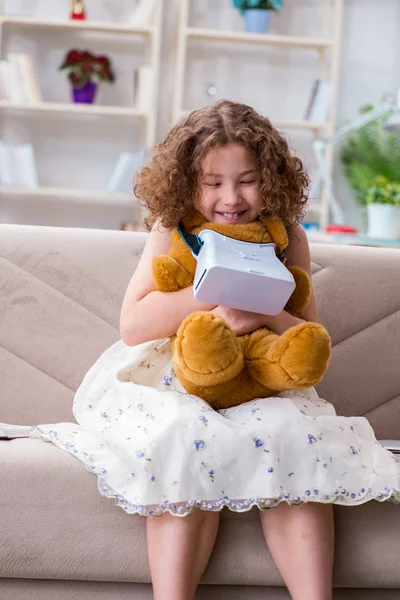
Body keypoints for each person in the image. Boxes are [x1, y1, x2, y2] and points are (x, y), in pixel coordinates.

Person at [29, 100, 400, 600]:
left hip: (260, 376)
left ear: (269, 178)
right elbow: (134, 323)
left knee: (291, 431)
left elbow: (307, 336)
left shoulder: (288, 236)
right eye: (213, 182)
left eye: (247, 180)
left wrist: (263, 311)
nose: (232, 197)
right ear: (188, 180)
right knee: (182, 433)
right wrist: (216, 295)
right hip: (169, 374)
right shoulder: (172, 227)